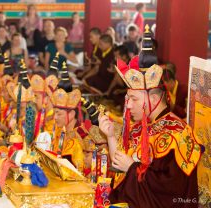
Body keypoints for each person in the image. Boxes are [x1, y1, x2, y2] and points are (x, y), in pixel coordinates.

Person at [98, 26, 202, 208]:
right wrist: (111, 136)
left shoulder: (177, 134)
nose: (128, 105)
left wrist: (132, 168)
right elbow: (120, 165)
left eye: (133, 99)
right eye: (127, 98)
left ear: (154, 98)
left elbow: (170, 191)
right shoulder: (140, 126)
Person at [49, 63, 84, 172]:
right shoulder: (61, 132)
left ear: (72, 114)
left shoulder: (80, 137)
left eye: (59, 114)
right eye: (55, 113)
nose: (55, 117)